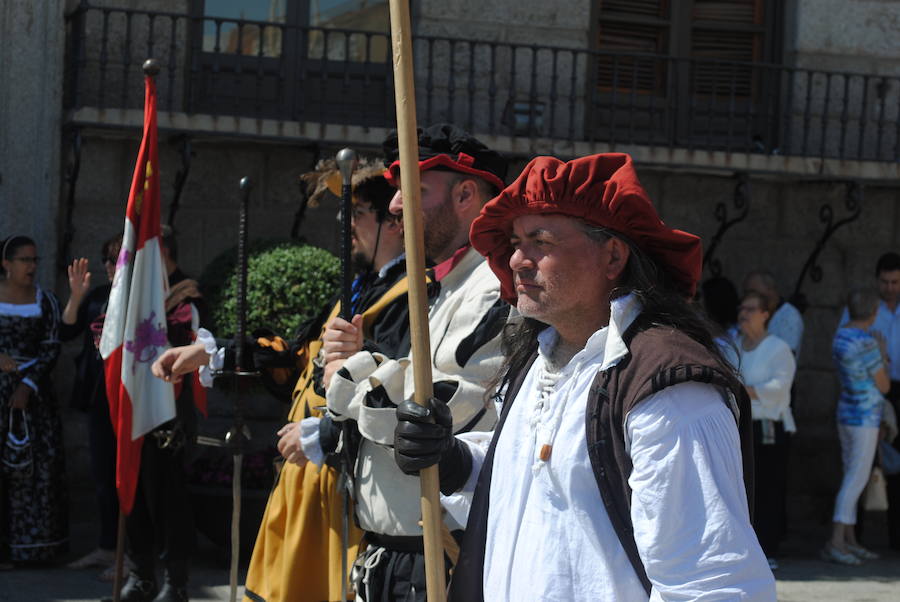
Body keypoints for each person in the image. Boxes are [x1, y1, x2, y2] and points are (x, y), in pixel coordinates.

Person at [394, 154, 774, 600]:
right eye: (515, 241)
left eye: (540, 240)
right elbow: (540, 491)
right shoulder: (534, 361)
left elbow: (709, 581)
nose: (517, 259)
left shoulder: (667, 388)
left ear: (612, 255)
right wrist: (455, 461)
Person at [152, 161, 413, 602]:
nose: (345, 225)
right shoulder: (356, 287)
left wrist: (325, 432)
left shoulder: (410, 294)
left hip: (348, 485)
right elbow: (293, 354)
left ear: (394, 220)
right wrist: (212, 353)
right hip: (306, 477)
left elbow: (398, 394)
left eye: (357, 213)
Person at [316, 124, 510, 601]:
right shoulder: (440, 288)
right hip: (394, 554)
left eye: (414, 190)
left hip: (439, 557)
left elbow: (433, 413)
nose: (396, 206)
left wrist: (349, 374)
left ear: (466, 193)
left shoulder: (495, 289)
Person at [115, 226, 208, 602]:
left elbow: (192, 341)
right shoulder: (136, 298)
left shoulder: (187, 297)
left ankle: (176, 579)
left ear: (164, 255)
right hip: (135, 407)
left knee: (171, 501)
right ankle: (141, 574)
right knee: (134, 493)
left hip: (171, 413)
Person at [0, 235, 67, 565]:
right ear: (6, 264)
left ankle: (32, 549)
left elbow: (52, 346)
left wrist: (27, 385)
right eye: (25, 260)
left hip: (32, 397)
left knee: (34, 470)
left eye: (35, 260)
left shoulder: (47, 302)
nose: (31, 266)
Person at [61, 234, 124, 580]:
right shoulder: (97, 296)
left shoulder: (141, 297)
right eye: (109, 262)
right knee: (101, 475)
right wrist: (76, 296)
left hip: (128, 399)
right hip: (97, 397)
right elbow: (67, 330)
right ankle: (106, 547)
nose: (113, 268)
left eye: (119, 261)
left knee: (128, 476)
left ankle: (129, 553)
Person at [839, 252, 900, 550]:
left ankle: (884, 539)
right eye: (885, 282)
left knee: (881, 467)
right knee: (860, 472)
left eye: (895, 282)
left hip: (872, 397)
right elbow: (882, 382)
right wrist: (880, 354)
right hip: (868, 399)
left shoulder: (850, 334)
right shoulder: (863, 325)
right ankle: (849, 538)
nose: (890, 287)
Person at [825, 288, 890, 564]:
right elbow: (884, 384)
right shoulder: (867, 342)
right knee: (855, 480)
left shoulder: (840, 336)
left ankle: (849, 540)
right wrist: (883, 353)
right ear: (874, 313)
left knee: (850, 475)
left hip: (846, 413)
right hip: (865, 418)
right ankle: (837, 541)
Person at [735, 289, 797, 569]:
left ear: (765, 315)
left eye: (750, 309)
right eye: (742, 309)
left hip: (769, 427)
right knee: (743, 487)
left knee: (768, 487)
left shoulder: (778, 348)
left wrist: (745, 391)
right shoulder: (733, 344)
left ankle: (768, 547)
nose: (743, 314)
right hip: (741, 425)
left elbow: (779, 388)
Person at [743, 270, 804, 357]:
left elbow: (786, 357)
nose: (748, 297)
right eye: (746, 293)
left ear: (769, 289)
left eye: (753, 291)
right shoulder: (751, 314)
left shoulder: (789, 316)